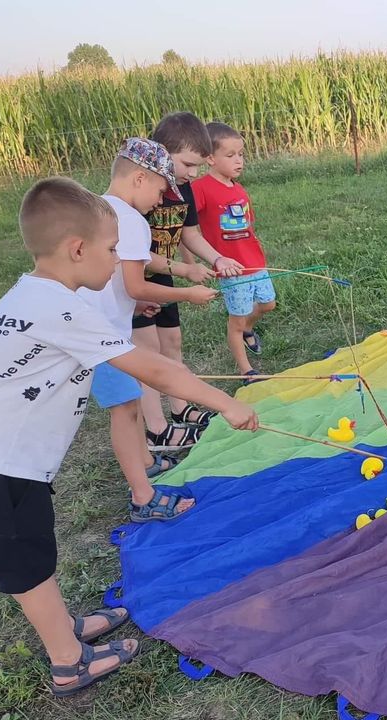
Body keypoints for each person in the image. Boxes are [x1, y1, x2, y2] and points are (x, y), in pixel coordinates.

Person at [0, 177, 258, 695]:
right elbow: (158, 371)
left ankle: (65, 628)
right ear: (77, 249)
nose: (117, 261)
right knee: (29, 563)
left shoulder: (40, 296)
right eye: (113, 250)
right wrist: (229, 404)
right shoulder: (58, 310)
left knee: (35, 553)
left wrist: (136, 309)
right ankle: (68, 661)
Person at [78, 138, 218, 518]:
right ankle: (143, 494)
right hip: (98, 337)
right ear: (140, 178)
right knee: (125, 409)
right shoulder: (132, 220)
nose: (161, 201)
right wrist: (187, 294)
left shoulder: (99, 209)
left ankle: (146, 460)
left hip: (97, 327)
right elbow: (136, 282)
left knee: (131, 400)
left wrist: (135, 300)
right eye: (160, 189)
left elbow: (120, 275)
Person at [137, 112, 245, 442]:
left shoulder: (184, 190)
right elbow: (135, 255)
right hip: (135, 283)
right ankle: (157, 429)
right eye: (187, 164)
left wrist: (217, 257)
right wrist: (186, 270)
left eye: (199, 166)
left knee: (172, 343)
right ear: (161, 152)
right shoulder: (142, 193)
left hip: (163, 275)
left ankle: (180, 407)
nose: (194, 174)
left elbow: (191, 234)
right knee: (148, 353)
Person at [191, 122, 275, 381]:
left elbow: (247, 226)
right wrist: (191, 261)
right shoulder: (201, 188)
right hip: (231, 268)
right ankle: (245, 370)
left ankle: (248, 328)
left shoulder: (237, 188)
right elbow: (188, 228)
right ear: (210, 158)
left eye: (241, 154)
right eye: (230, 156)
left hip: (254, 261)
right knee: (235, 321)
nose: (238, 161)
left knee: (268, 304)